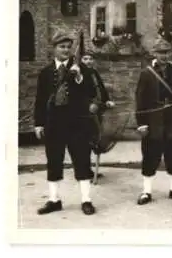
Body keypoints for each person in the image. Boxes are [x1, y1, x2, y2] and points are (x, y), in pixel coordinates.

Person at [34, 31, 98, 215]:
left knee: (82, 161)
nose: (66, 50)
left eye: (68, 47)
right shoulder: (45, 73)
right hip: (53, 124)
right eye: (61, 47)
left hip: (77, 124)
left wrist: (78, 77)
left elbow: (91, 92)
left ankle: (86, 200)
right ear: (53, 49)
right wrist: (39, 124)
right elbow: (40, 100)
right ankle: (54, 200)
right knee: (54, 161)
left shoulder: (83, 69)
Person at [135, 38, 172, 205]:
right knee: (150, 154)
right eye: (161, 53)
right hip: (153, 121)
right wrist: (141, 123)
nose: (164, 56)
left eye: (167, 52)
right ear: (154, 53)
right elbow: (140, 99)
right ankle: (146, 191)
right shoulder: (146, 73)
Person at [81, 50, 115, 180]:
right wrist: (88, 106)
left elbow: (101, 89)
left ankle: (89, 170)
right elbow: (77, 95)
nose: (88, 61)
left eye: (90, 59)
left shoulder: (94, 73)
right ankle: (84, 171)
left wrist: (107, 101)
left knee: (94, 139)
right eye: (85, 59)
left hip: (96, 112)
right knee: (84, 142)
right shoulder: (78, 74)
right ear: (80, 60)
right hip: (83, 114)